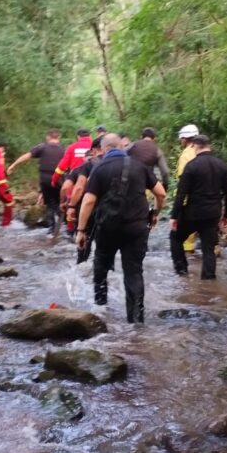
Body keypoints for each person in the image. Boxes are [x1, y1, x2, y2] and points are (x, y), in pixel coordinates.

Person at [76, 133, 166, 323]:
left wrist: (81, 230)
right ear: (122, 147)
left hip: (108, 228)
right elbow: (161, 193)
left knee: (101, 267)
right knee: (133, 272)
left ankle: (100, 311)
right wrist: (155, 213)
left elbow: (89, 201)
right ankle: (136, 321)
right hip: (137, 227)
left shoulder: (100, 169)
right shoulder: (139, 166)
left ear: (103, 149)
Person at [170, 134, 227, 280]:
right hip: (213, 213)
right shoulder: (221, 165)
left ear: (194, 146)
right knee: (208, 248)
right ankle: (209, 279)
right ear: (209, 146)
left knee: (175, 237)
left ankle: (182, 272)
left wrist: (174, 216)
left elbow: (181, 194)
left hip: (193, 212)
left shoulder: (191, 166)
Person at [7, 129, 64, 233]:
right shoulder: (63, 149)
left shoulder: (42, 147)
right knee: (58, 203)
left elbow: (26, 156)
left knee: (50, 204)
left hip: (45, 180)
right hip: (59, 180)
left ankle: (52, 228)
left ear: (48, 137)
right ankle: (60, 227)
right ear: (58, 138)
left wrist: (13, 165)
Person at [176, 123, 200, 253]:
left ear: (185, 139)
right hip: (207, 196)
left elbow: (183, 178)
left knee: (186, 230)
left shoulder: (185, 155)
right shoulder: (202, 150)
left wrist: (180, 201)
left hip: (190, 197)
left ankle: (189, 252)